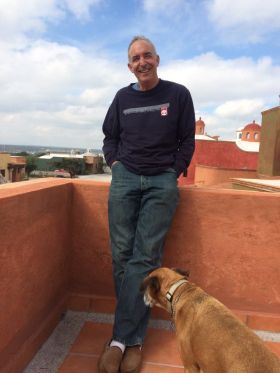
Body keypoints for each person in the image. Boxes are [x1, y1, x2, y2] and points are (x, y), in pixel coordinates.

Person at [98, 35, 195, 373]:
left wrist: (174, 170)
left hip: (160, 182)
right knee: (121, 255)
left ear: (157, 59)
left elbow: (187, 139)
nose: (142, 62)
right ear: (130, 65)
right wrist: (115, 164)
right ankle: (133, 337)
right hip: (125, 178)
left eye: (147, 56)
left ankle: (122, 341)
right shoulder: (122, 97)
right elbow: (110, 136)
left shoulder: (178, 94)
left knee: (145, 257)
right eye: (136, 58)